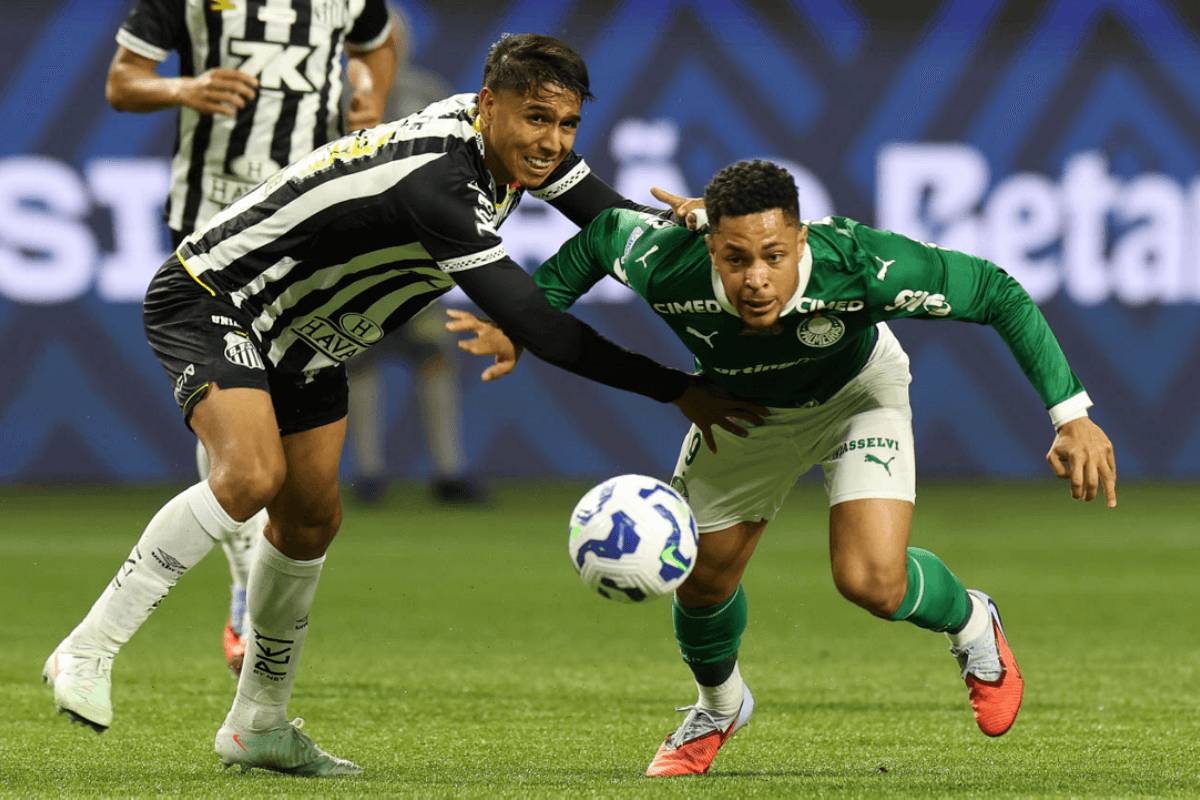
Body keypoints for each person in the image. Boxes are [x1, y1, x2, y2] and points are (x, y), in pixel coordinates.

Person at [43, 33, 765, 777]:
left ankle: (258, 723)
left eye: (568, 124)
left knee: (311, 519)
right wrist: (678, 389)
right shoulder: (440, 182)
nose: (552, 142)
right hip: (217, 297)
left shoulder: (507, 149)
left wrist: (708, 225)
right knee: (250, 478)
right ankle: (85, 651)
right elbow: (540, 327)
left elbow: (608, 219)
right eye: (538, 119)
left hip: (312, 337)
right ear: (490, 106)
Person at [447, 159, 1118, 776]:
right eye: (736, 259)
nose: (756, 278)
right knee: (700, 581)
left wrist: (1072, 415)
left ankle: (974, 623)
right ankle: (719, 704)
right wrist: (523, 320)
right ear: (711, 247)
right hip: (744, 412)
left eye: (774, 255)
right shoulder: (664, 260)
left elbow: (996, 291)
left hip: (857, 396)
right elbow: (598, 240)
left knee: (870, 581)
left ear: (802, 241)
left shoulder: (862, 265)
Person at [72, 0, 399, 679]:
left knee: (285, 429)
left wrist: (371, 99)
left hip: (312, 228)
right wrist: (183, 89)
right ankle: (245, 580)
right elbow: (122, 81)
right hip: (211, 226)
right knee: (236, 412)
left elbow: (377, 44)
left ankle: (251, 592)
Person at [344, 4, 487, 505]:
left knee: (435, 355)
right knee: (356, 358)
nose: (390, 47)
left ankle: (449, 470)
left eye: (394, 39)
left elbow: (456, 165)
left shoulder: (427, 92)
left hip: (417, 253)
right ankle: (368, 473)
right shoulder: (338, 96)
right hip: (356, 257)